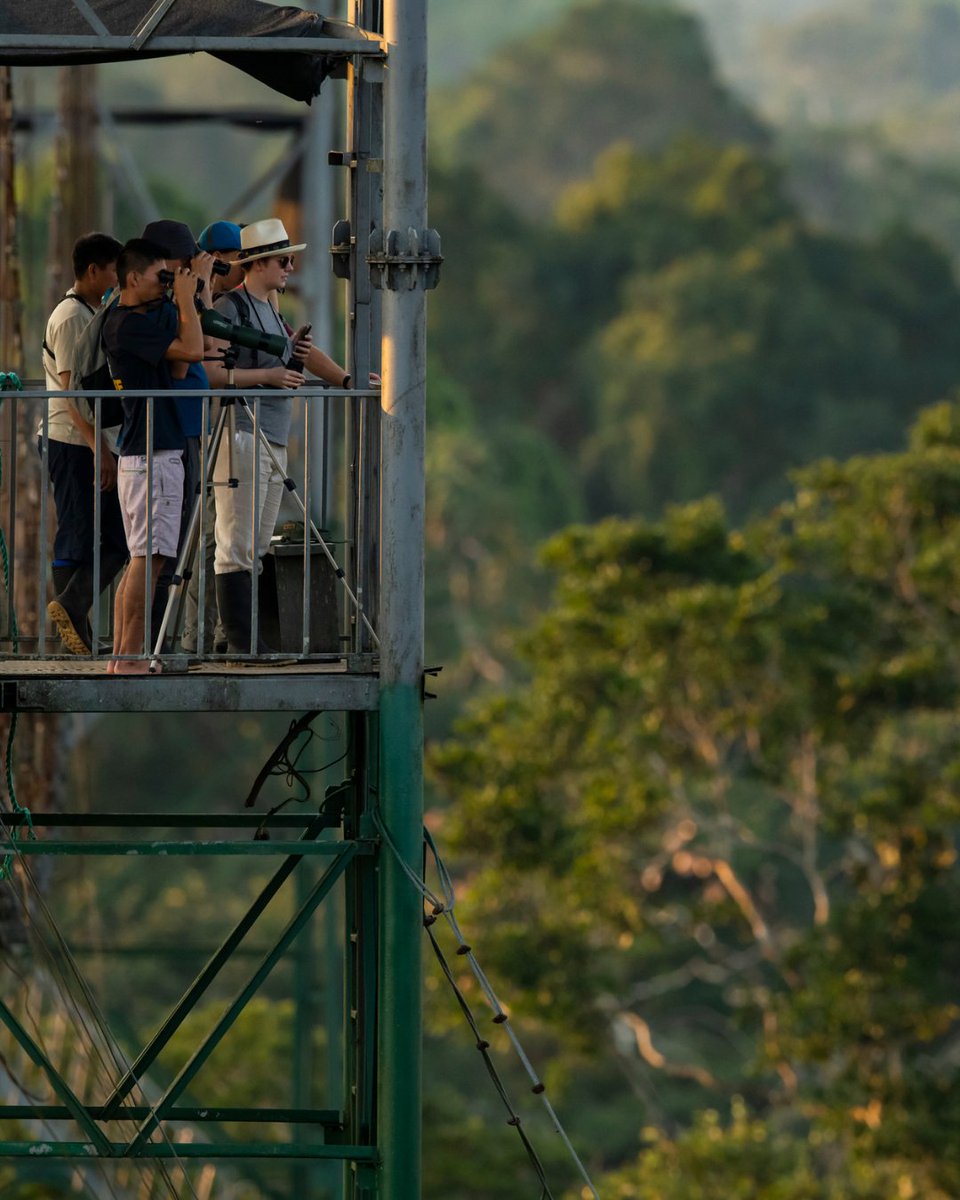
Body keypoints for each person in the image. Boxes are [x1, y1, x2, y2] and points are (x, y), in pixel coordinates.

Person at [204, 217, 350, 654]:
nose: (290, 267)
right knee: (237, 542)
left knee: (260, 542)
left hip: (273, 435)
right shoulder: (231, 308)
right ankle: (238, 639)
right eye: (283, 260)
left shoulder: (272, 309)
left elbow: (303, 354)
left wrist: (346, 380)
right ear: (259, 263)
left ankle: (249, 638)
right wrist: (268, 374)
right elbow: (211, 373)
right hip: (242, 434)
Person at [102, 238, 203, 674]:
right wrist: (184, 297)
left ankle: (124, 656)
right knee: (150, 558)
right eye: (159, 276)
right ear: (132, 278)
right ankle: (130, 658)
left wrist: (191, 300)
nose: (165, 283)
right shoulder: (127, 325)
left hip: (145, 453)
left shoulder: (133, 321)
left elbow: (180, 367)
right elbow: (196, 351)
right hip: (153, 453)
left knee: (144, 556)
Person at [40, 232, 128, 654]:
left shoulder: (90, 309)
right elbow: (69, 391)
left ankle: (75, 620)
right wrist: (99, 448)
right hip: (72, 440)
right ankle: (72, 615)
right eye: (113, 270)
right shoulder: (72, 316)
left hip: (85, 440)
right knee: (82, 534)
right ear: (93, 270)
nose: (117, 278)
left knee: (105, 535)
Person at [140, 220, 215, 651]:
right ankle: (151, 645)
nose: (188, 269)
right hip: (170, 431)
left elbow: (203, 340)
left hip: (185, 428)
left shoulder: (175, 304)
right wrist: (190, 298)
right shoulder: (158, 309)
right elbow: (185, 362)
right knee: (164, 548)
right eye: (183, 262)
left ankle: (156, 642)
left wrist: (199, 296)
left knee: (175, 543)